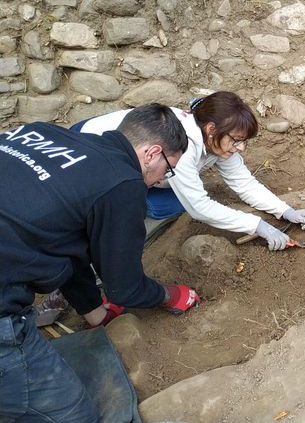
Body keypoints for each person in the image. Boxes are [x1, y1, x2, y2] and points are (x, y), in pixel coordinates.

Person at [0, 104, 201, 421]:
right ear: (152, 153)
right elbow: (125, 289)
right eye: (168, 169)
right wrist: (170, 295)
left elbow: (62, 240)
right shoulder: (123, 184)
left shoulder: (42, 131)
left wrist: (93, 310)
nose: (163, 179)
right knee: (74, 414)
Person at [76, 91, 305, 250]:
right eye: (236, 140)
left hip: (142, 170)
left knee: (173, 205)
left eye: (244, 141)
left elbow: (244, 183)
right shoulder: (182, 144)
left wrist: (286, 211)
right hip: (86, 151)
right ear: (212, 128)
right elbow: (199, 207)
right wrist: (258, 226)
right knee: (126, 207)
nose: (241, 148)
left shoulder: (218, 140)